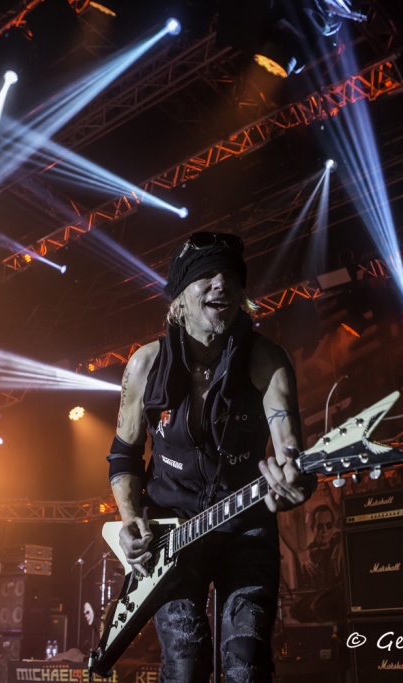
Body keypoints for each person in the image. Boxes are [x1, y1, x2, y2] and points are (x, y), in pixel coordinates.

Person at [106, 231, 317, 683]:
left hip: (245, 528)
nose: (221, 284)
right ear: (180, 297)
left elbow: (291, 456)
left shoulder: (267, 361)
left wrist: (295, 482)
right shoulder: (145, 365)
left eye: (231, 277)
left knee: (247, 664)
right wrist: (130, 521)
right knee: (185, 665)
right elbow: (124, 455)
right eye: (207, 275)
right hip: (170, 535)